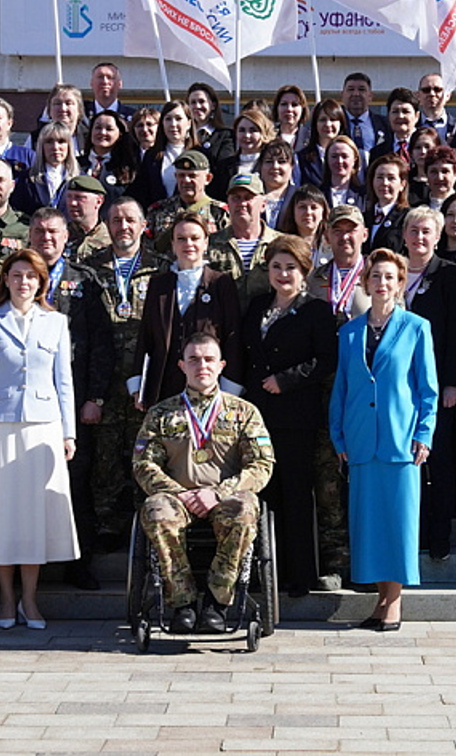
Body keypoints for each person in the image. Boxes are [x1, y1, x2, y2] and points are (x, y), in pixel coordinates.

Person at [0, 250, 81, 629]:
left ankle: (30, 598)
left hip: (42, 429)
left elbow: (64, 381)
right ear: (6, 279)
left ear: (41, 282)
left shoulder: (56, 322)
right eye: (16, 275)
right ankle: (6, 599)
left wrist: (68, 431)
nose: (23, 283)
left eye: (31, 276)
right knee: (3, 514)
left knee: (32, 518)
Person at [134, 332, 275, 635]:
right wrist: (180, 494)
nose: (202, 366)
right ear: (181, 366)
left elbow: (261, 465)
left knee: (245, 511)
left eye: (209, 359)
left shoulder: (243, 412)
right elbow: (144, 464)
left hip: (226, 496)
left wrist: (219, 492)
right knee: (156, 512)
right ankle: (182, 604)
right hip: (178, 498)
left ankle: (216, 603)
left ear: (221, 365)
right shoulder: (161, 413)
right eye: (194, 359)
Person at [330, 249, 437, 630]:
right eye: (376, 276)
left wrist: (424, 432)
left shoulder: (416, 327)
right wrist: (338, 434)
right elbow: (341, 387)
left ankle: (395, 603)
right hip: (360, 441)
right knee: (369, 525)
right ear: (366, 281)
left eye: (390, 277)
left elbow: (428, 389)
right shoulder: (349, 332)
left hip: (400, 439)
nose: (382, 283)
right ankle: (380, 599)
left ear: (400, 283)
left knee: (397, 523)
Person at [240, 235, 337, 598]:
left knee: (296, 493)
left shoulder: (316, 310)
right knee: (265, 493)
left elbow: (326, 360)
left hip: (296, 414)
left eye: (291, 268)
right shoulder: (256, 306)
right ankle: (265, 572)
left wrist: (286, 380)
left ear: (304, 272)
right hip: (257, 415)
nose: (283, 274)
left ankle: (300, 575)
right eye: (277, 267)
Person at [25, 208, 114, 591]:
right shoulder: (16, 276)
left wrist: (94, 396)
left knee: (76, 480)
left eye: (54, 233)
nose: (47, 238)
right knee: (26, 482)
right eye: (40, 231)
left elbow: (100, 343)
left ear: (67, 238)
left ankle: (79, 561)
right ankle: (29, 561)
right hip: (26, 401)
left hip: (72, 398)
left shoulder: (84, 281)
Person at [85, 197, 164, 547]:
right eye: (116, 220)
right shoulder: (88, 268)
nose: (123, 226)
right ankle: (106, 525)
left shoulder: (161, 268)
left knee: (145, 452)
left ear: (143, 224)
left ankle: (145, 523)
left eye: (130, 219)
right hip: (103, 376)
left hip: (144, 378)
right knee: (105, 456)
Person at [398, 208, 456, 564]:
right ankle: (412, 532)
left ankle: (439, 535)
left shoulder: (449, 275)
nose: (419, 237)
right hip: (398, 390)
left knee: (439, 461)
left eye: (426, 231)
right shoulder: (391, 272)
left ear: (438, 236)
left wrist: (452, 383)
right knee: (406, 463)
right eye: (413, 230)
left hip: (437, 386)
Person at [135, 213, 242, 410]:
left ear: (206, 243)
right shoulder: (158, 285)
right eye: (181, 239)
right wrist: (138, 386)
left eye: (195, 238)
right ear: (173, 245)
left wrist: (230, 390)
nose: (188, 244)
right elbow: (146, 335)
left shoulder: (221, 283)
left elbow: (233, 337)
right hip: (164, 386)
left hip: (209, 387)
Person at [207, 174, 283, 302]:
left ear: (263, 204)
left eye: (248, 198)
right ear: (228, 204)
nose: (242, 203)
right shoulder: (210, 243)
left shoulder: (281, 244)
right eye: (236, 198)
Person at [145, 149, 229, 253]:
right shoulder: (158, 210)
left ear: (208, 178)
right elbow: (148, 251)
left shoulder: (220, 213)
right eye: (181, 175)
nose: (186, 180)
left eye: (192, 176)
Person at [339, 71, 387, 153]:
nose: (356, 94)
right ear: (342, 95)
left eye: (362, 89)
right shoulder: (335, 123)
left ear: (370, 96)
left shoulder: (385, 124)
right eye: (351, 89)